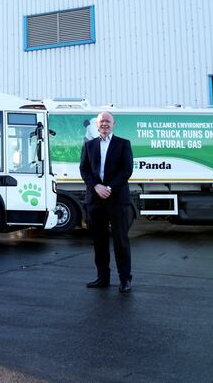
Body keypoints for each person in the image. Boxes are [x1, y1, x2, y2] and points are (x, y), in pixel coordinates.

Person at [79, 112, 134, 293]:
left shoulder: (123, 144)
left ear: (114, 124)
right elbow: (84, 169)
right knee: (99, 242)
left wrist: (108, 187)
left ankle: (125, 280)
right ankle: (102, 278)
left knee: (121, 242)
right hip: (95, 200)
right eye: (101, 121)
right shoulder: (89, 145)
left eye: (107, 121)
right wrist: (96, 186)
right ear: (97, 124)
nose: (104, 124)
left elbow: (127, 170)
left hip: (117, 199)